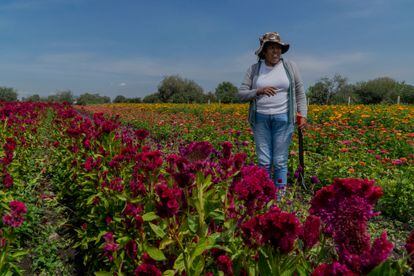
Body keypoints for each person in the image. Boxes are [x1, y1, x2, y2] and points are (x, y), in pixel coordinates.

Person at [238, 32, 307, 192]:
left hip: (284, 119)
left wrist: (302, 114)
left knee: (280, 160)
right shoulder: (254, 69)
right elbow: (241, 93)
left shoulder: (290, 67)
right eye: (271, 48)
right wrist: (258, 91)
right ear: (264, 51)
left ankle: (280, 198)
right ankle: (264, 195)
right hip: (260, 119)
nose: (276, 51)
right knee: (264, 161)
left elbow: (299, 92)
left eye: (278, 48)